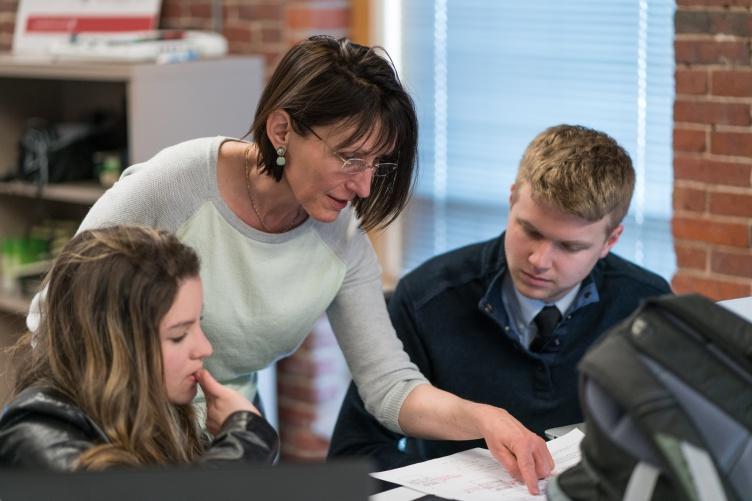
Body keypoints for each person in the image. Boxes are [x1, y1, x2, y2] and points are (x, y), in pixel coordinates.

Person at [25, 36, 551, 492]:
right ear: (282, 130)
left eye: (378, 163)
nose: (365, 185)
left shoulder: (342, 239)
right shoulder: (175, 185)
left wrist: (485, 419)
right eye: (349, 157)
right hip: (118, 440)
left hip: (232, 441)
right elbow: (56, 315)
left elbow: (389, 385)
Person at [328, 124, 672, 473]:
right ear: (511, 199)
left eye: (569, 246)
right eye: (530, 231)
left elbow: (672, 445)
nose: (539, 260)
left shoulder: (646, 305)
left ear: (610, 241)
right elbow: (354, 453)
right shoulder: (427, 299)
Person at [1, 226, 279, 469]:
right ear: (113, 344)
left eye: (199, 324)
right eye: (179, 335)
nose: (205, 348)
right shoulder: (35, 435)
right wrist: (247, 438)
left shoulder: (158, 414)